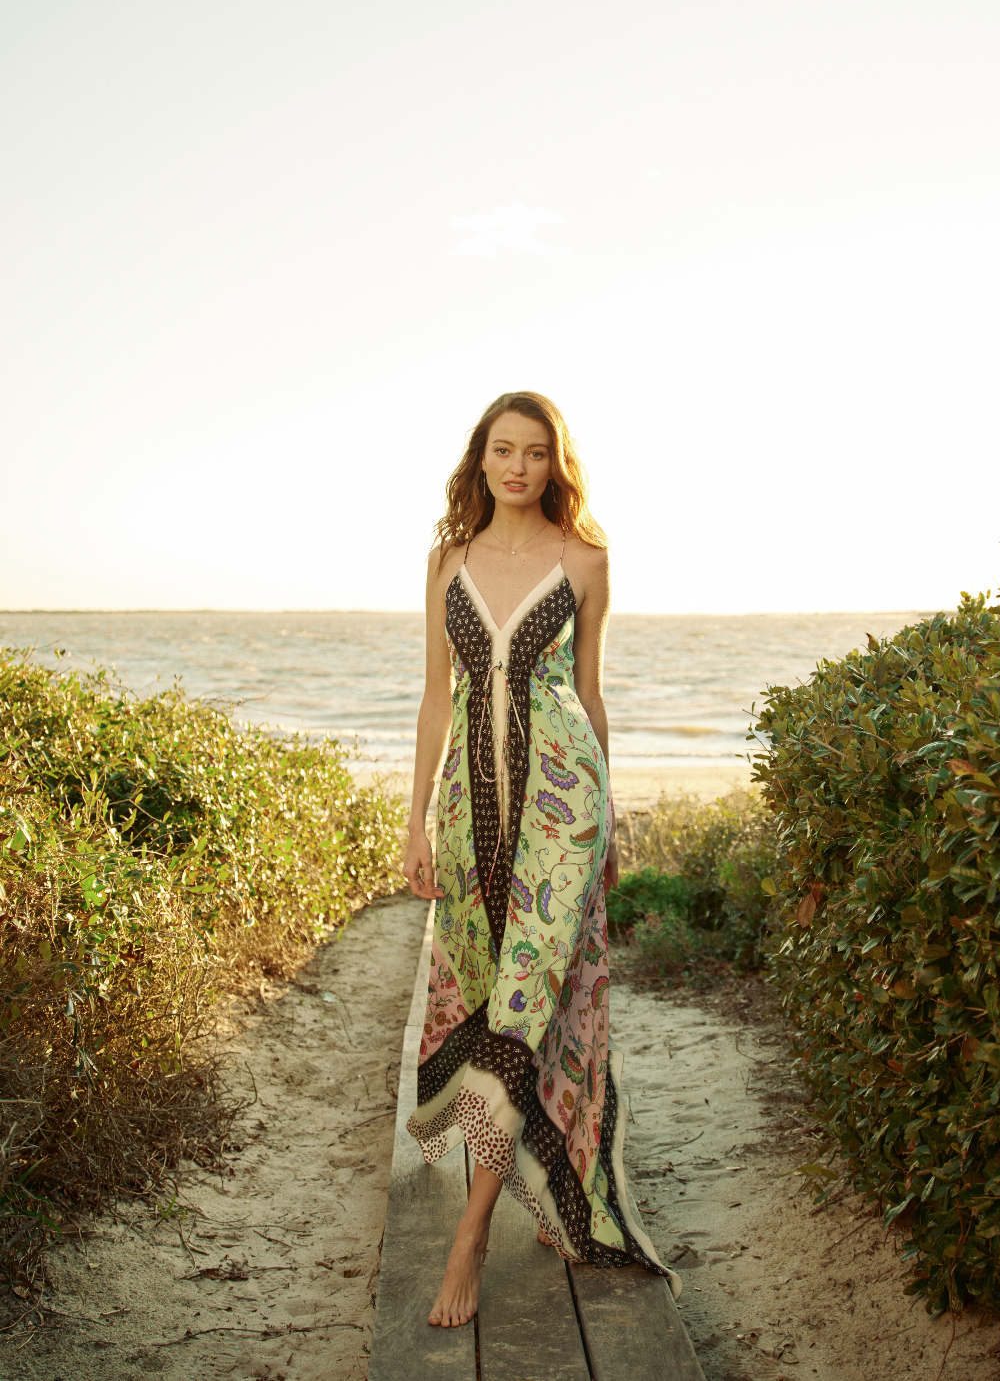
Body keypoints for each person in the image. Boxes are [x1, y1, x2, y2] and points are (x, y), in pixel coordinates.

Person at [402, 390, 674, 1328]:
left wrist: (612, 822)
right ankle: (492, 1180)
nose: (519, 467)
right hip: (470, 814)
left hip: (564, 808)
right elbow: (438, 702)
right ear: (480, 461)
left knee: (524, 1003)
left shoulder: (587, 562)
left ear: (557, 463)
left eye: (536, 452)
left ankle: (470, 1234)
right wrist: (413, 819)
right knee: (486, 1001)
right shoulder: (447, 563)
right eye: (502, 451)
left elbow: (590, 698)